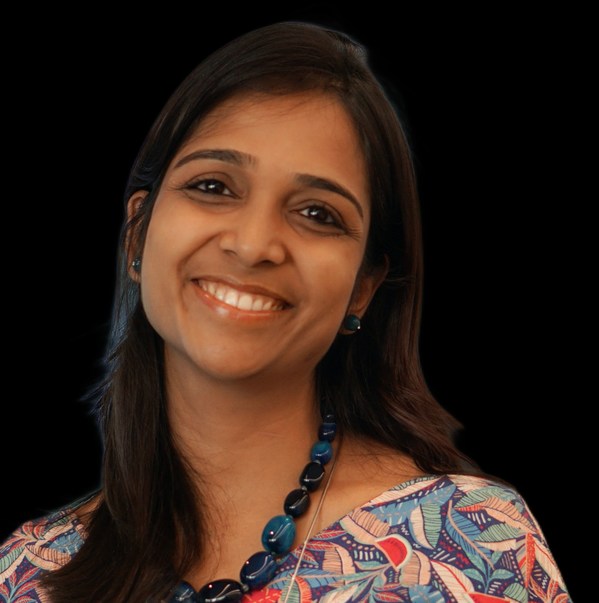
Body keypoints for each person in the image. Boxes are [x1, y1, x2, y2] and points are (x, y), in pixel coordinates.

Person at [0, 21, 572, 603]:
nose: (253, 246)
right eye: (213, 186)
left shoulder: (476, 546)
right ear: (136, 237)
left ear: (363, 288)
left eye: (317, 214)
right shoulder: (29, 572)